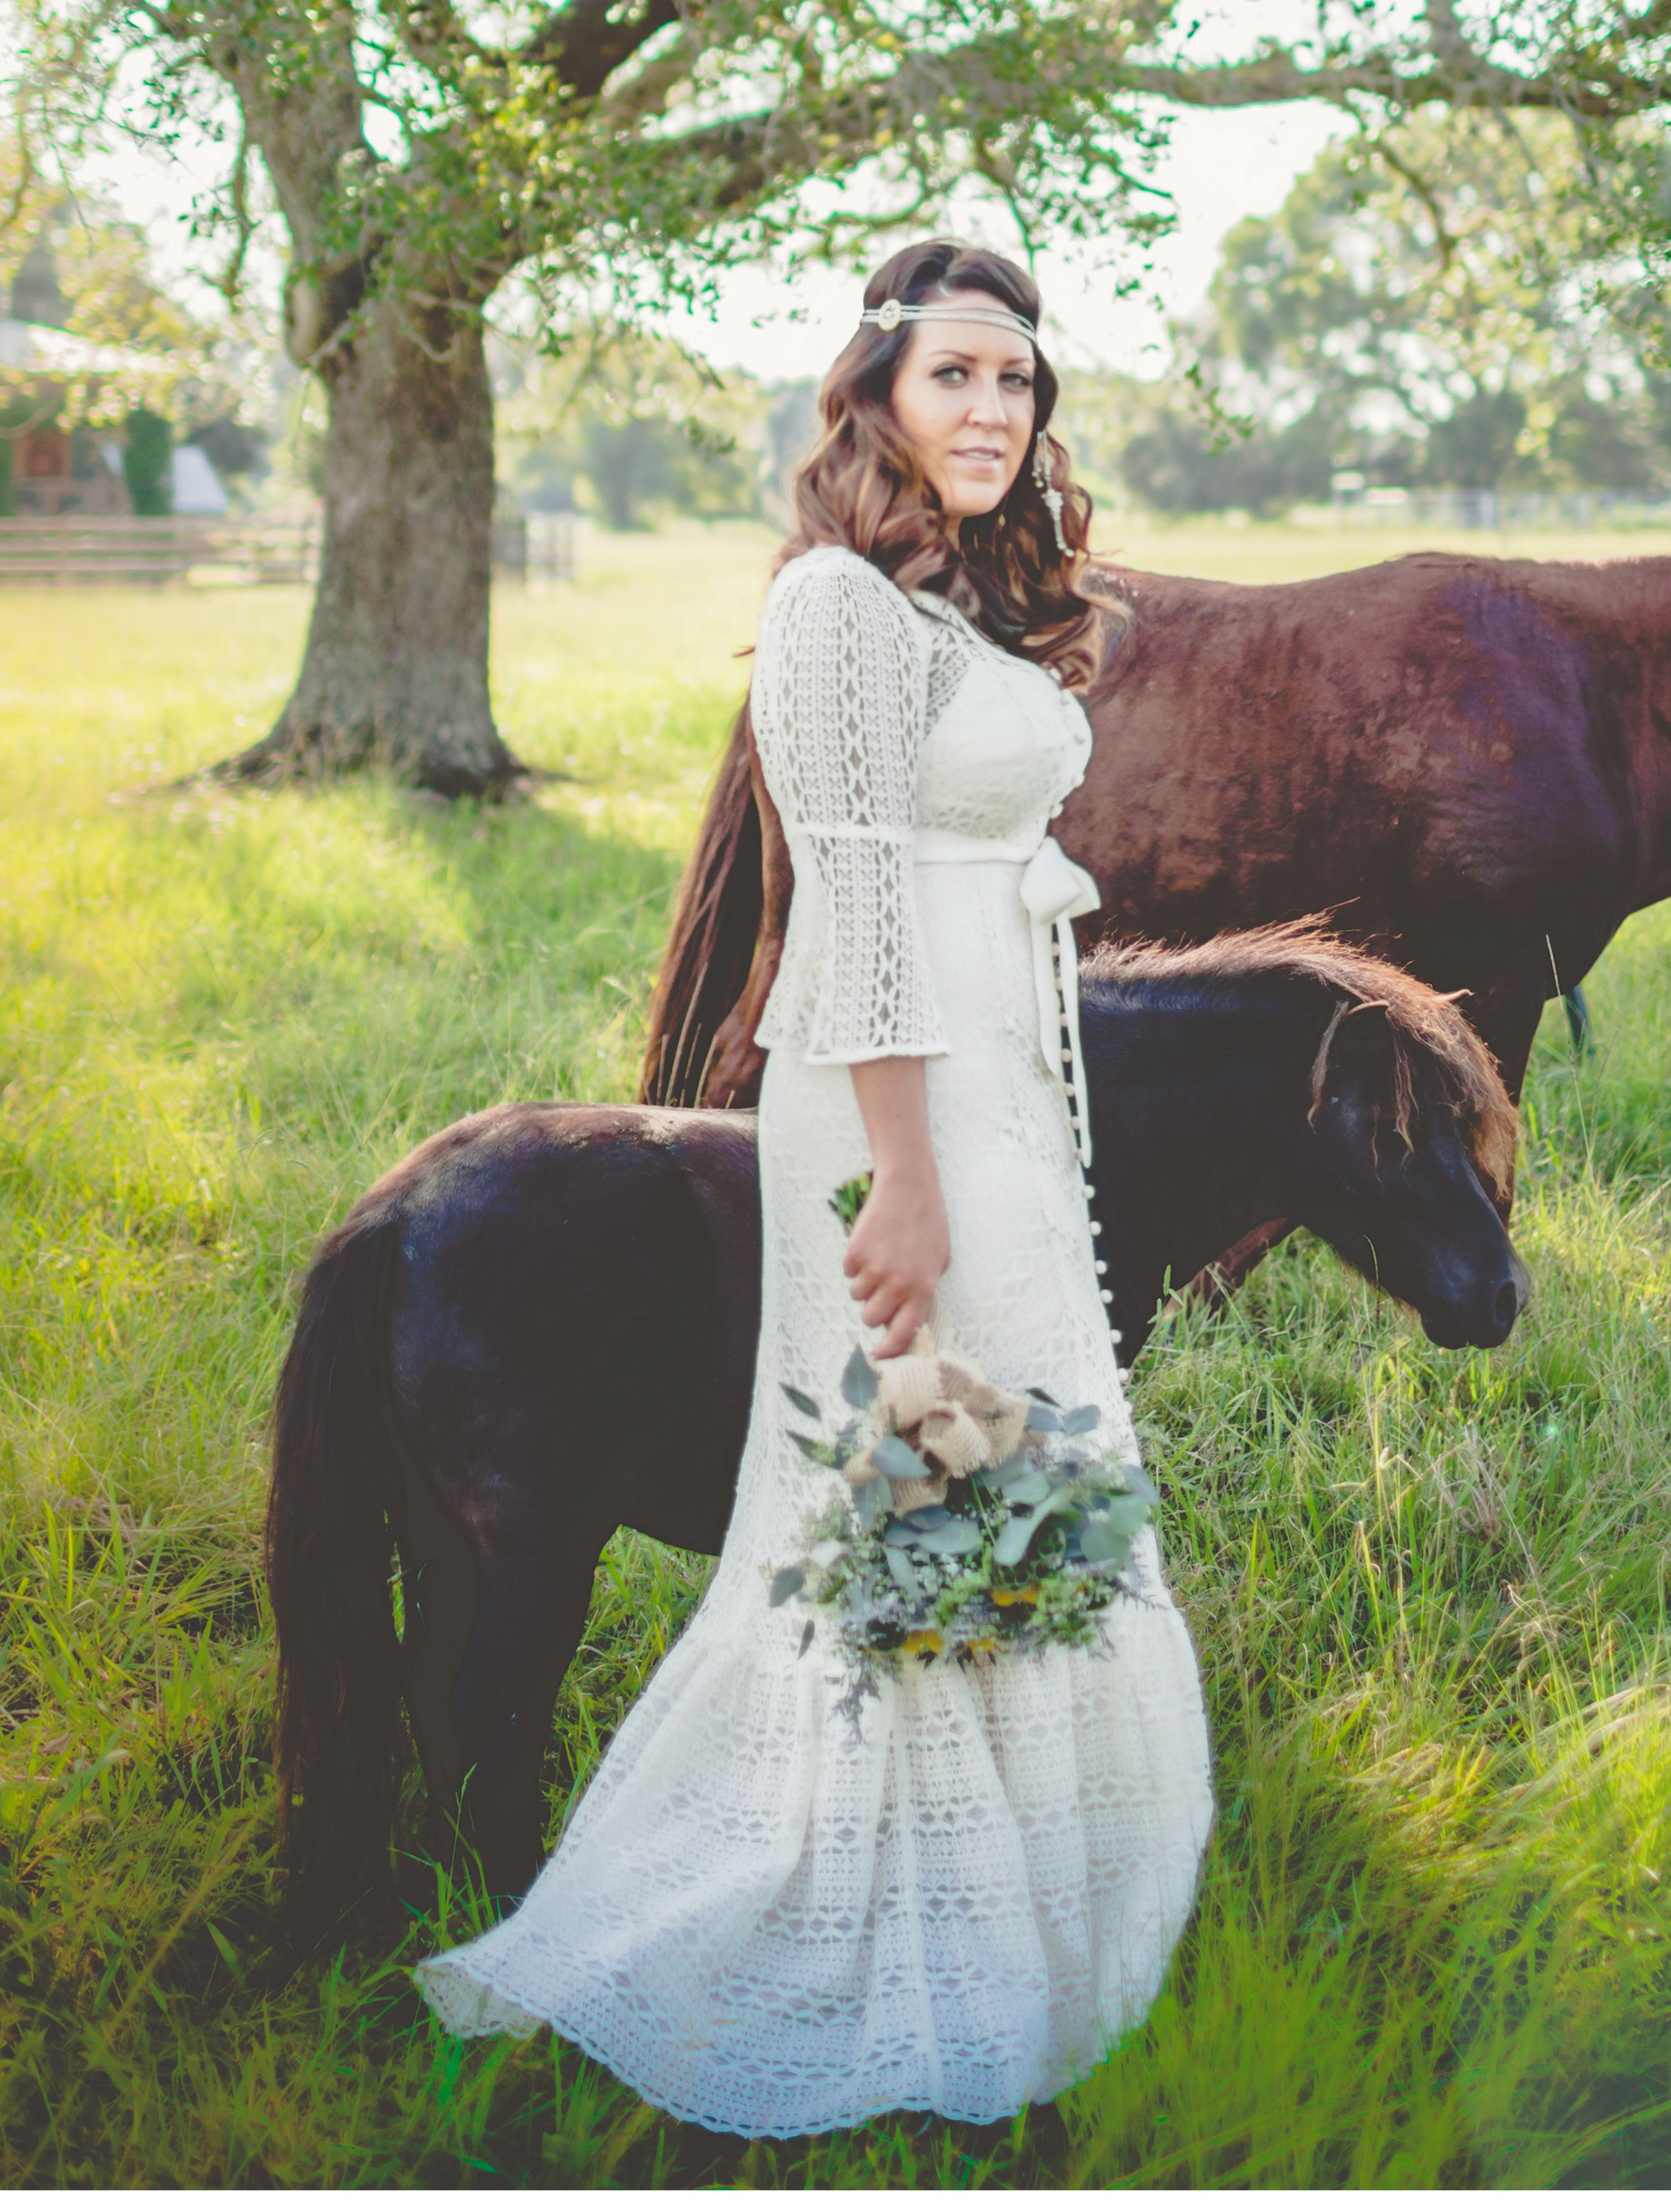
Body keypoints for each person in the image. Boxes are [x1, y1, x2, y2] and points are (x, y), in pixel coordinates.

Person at [415, 237, 1213, 2133]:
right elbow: (848, 908)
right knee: (903, 1486)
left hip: (998, 1086)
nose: (993, 413)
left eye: (1016, 383)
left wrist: (1021, 1134)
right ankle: (848, 1900)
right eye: (953, 378)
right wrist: (908, 1190)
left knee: (1009, 1472)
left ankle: (1006, 1878)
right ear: (871, 396)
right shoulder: (837, 612)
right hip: (892, 1104)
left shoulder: (958, 619)